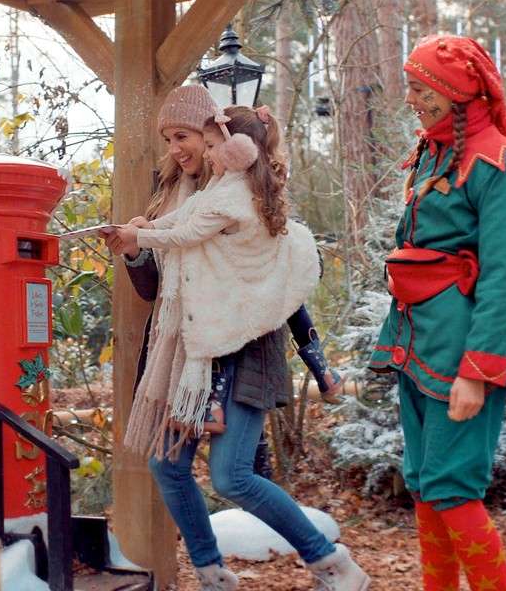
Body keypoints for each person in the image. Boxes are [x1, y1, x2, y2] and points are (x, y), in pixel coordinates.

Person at [109, 104, 370, 591]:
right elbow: (153, 289)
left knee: (232, 476)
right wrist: (135, 247)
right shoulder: (178, 198)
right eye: (169, 140)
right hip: (186, 356)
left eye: (187, 137)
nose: (178, 149)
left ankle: (331, 563)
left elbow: (280, 286)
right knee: (166, 464)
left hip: (244, 352)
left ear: (227, 145)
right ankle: (213, 576)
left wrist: (317, 363)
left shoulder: (244, 197)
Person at [368, 35, 506, 591]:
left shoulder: (497, 162)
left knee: (453, 487)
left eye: (421, 89)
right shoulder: (434, 151)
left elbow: (504, 276)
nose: (410, 99)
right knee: (424, 484)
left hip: (461, 351)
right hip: (417, 341)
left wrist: (477, 371)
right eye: (410, 87)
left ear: (454, 91)